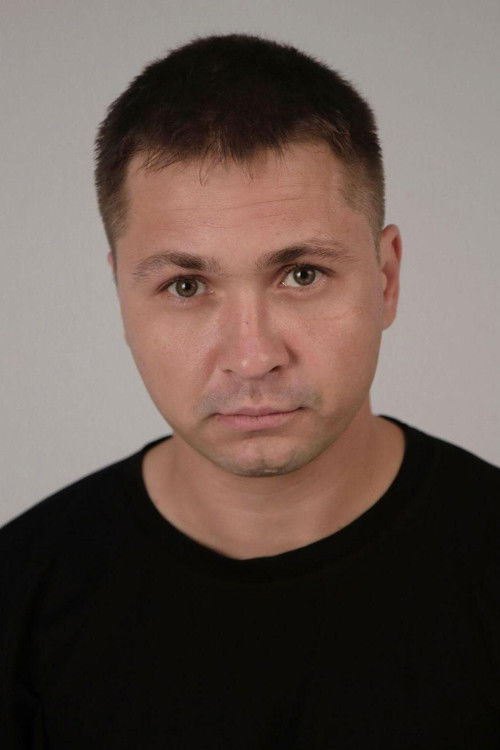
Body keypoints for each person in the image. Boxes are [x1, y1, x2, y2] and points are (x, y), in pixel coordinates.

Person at [1, 33, 499, 749]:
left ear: (386, 279)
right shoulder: (20, 599)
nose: (253, 357)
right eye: (186, 286)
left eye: (302, 274)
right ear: (119, 295)